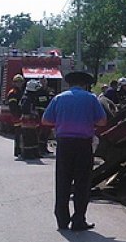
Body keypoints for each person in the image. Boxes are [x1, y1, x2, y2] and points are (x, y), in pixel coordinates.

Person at [42, 70, 107, 231]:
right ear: (85, 84)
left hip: (64, 144)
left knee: (63, 181)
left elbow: (45, 120)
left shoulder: (59, 98)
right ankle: (78, 220)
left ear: (69, 84)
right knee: (82, 183)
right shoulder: (91, 98)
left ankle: (62, 220)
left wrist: (62, 122)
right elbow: (103, 121)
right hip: (83, 145)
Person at [8, 74, 25, 155]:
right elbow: (13, 106)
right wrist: (18, 115)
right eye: (17, 82)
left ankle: (21, 150)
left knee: (22, 133)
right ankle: (17, 151)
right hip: (17, 116)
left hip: (22, 115)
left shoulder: (22, 91)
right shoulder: (12, 92)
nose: (19, 83)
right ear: (14, 83)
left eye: (20, 82)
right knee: (18, 134)